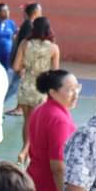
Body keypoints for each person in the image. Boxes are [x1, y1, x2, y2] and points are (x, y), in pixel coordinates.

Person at [24, 70, 80, 191]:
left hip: (36, 183)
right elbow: (58, 166)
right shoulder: (59, 119)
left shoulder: (42, 109)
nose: (75, 93)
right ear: (53, 92)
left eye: (77, 87)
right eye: (70, 89)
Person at [11, 16, 59, 162]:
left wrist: (26, 68)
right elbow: (55, 71)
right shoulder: (53, 48)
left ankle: (24, 149)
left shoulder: (25, 44)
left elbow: (16, 67)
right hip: (42, 87)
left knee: (27, 121)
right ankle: (30, 151)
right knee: (38, 122)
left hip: (26, 85)